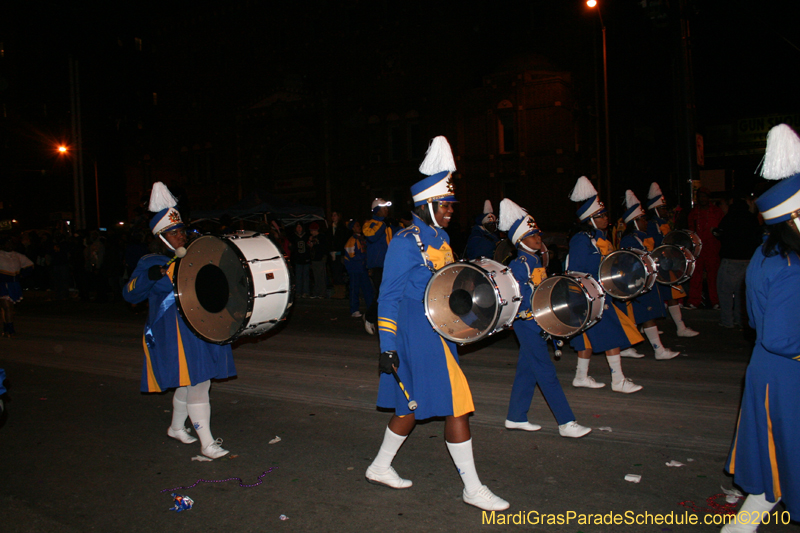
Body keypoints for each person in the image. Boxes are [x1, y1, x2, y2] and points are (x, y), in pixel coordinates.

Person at [366, 136, 509, 511]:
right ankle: (472, 488)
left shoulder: (441, 239)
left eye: (450, 205)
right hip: (417, 334)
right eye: (445, 205)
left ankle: (380, 466)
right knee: (457, 404)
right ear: (427, 205)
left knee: (409, 407)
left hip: (438, 331)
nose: (450, 211)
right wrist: (388, 348)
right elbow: (388, 297)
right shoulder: (405, 242)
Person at [723, 124, 800, 532]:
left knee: (776, 468)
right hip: (787, 374)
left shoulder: (769, 253)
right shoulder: (790, 267)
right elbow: (782, 337)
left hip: (771, 370)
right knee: (783, 461)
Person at [123, 182, 235, 459]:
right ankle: (207, 444)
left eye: (181, 231)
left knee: (194, 381)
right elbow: (129, 294)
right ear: (161, 236)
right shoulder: (150, 262)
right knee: (196, 382)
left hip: (198, 327)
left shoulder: (195, 255)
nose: (181, 236)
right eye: (173, 233)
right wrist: (155, 275)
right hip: (173, 331)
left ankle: (175, 427)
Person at [498, 198, 591, 438]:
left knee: (527, 369)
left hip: (536, 321)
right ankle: (566, 422)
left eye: (538, 234)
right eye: (531, 235)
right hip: (527, 322)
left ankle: (516, 416)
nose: (538, 238)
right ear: (519, 240)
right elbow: (520, 298)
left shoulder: (535, 260)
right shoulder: (520, 265)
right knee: (545, 371)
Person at [567, 176, 644, 393]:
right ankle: (618, 380)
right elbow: (576, 271)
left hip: (603, 293)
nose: (605, 218)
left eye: (605, 215)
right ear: (589, 219)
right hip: (589, 295)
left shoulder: (603, 238)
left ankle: (581, 376)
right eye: (600, 216)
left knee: (587, 339)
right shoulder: (581, 240)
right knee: (610, 334)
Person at [617, 190, 679, 360]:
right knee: (646, 315)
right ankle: (658, 350)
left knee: (641, 316)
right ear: (635, 222)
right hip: (637, 282)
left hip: (646, 280)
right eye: (642, 219)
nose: (645, 222)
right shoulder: (630, 239)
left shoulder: (641, 237)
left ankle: (626, 346)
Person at [646, 182, 699, 337]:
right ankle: (676, 327)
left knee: (672, 296)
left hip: (666, 264)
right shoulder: (652, 225)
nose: (665, 210)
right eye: (662, 208)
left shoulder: (663, 224)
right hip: (659, 265)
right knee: (666, 296)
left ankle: (677, 326)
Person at [715, 193, 762, 329]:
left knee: (725, 293)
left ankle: (727, 321)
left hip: (731, 259)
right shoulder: (751, 218)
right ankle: (740, 320)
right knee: (741, 293)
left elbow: (722, 234)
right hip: (748, 260)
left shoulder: (729, 218)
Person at [686, 187, 724, 309]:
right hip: (698, 249)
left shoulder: (717, 211)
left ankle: (716, 301)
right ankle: (694, 301)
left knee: (713, 277)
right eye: (700, 196)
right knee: (696, 276)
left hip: (713, 248)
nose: (702, 199)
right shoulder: (693, 212)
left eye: (705, 196)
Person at [362, 198, 395, 334]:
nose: (386, 210)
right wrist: (383, 225)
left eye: (387, 208)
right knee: (383, 294)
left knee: (390, 294)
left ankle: (385, 319)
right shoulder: (370, 224)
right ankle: (370, 317)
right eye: (383, 208)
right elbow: (371, 236)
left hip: (389, 265)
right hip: (377, 266)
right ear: (376, 210)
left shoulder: (387, 225)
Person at [0, 237, 34, 337]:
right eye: (7, 243)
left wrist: (22, 274)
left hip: (14, 284)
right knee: (7, 306)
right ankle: (10, 329)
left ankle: (6, 327)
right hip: (2, 284)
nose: (10, 245)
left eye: (11, 243)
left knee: (8, 307)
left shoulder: (17, 256)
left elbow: (30, 265)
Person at [343, 220, 373, 318]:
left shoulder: (361, 239)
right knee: (354, 289)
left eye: (359, 225)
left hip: (361, 268)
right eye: (356, 226)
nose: (359, 227)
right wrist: (364, 257)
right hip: (355, 269)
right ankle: (354, 310)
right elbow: (352, 255)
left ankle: (371, 309)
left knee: (367, 289)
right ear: (352, 228)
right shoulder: (352, 240)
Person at [327, 211, 350, 299]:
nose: (333, 217)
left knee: (339, 272)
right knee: (334, 272)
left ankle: (342, 292)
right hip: (332, 253)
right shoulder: (330, 228)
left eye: (335, 215)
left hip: (339, 253)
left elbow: (342, 241)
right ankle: (337, 291)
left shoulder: (342, 228)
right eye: (332, 215)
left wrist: (338, 251)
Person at [290, 223, 311, 298]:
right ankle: (298, 292)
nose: (299, 229)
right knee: (298, 276)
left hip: (306, 258)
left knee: (306, 276)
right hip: (298, 259)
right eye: (297, 227)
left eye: (300, 227)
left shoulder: (307, 236)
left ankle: (306, 292)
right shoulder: (293, 237)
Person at [308, 222, 329, 299]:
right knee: (316, 276)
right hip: (314, 259)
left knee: (321, 276)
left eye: (312, 230)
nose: (311, 232)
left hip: (320, 258)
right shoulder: (312, 238)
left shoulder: (321, 237)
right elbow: (310, 248)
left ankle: (322, 293)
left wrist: (324, 257)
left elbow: (323, 247)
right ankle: (316, 292)